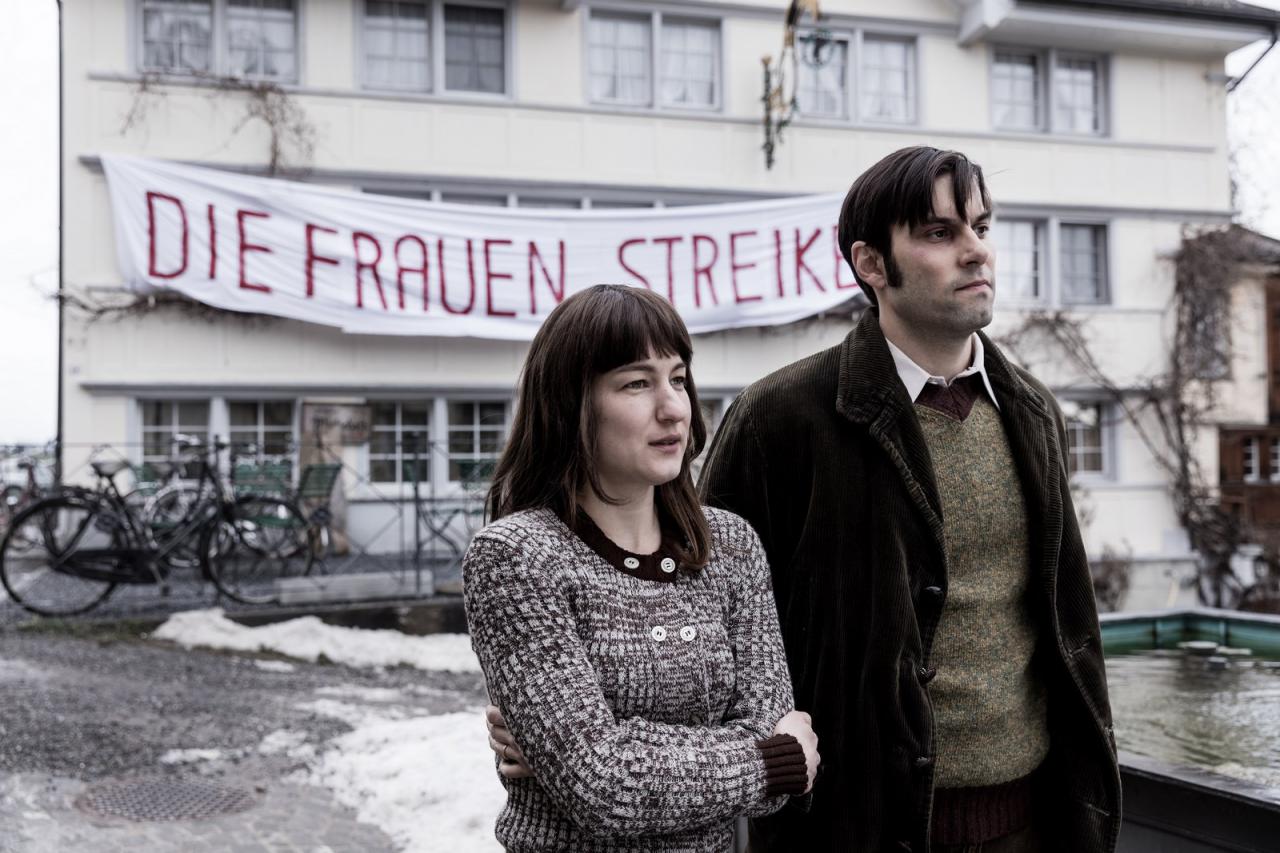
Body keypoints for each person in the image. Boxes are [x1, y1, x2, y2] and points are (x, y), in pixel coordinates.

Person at [696, 146, 1122, 851]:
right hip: (854, 826)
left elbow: (1065, 617)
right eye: (939, 232)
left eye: (980, 227)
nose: (975, 251)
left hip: (1032, 821)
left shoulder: (1034, 411)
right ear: (871, 263)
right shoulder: (781, 417)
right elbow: (697, 613)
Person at [463, 284, 821, 853]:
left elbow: (765, 747)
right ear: (570, 404)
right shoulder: (516, 557)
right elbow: (604, 788)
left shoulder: (730, 545)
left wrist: (597, 753)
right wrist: (769, 761)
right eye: (636, 383)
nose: (673, 407)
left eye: (677, 378)